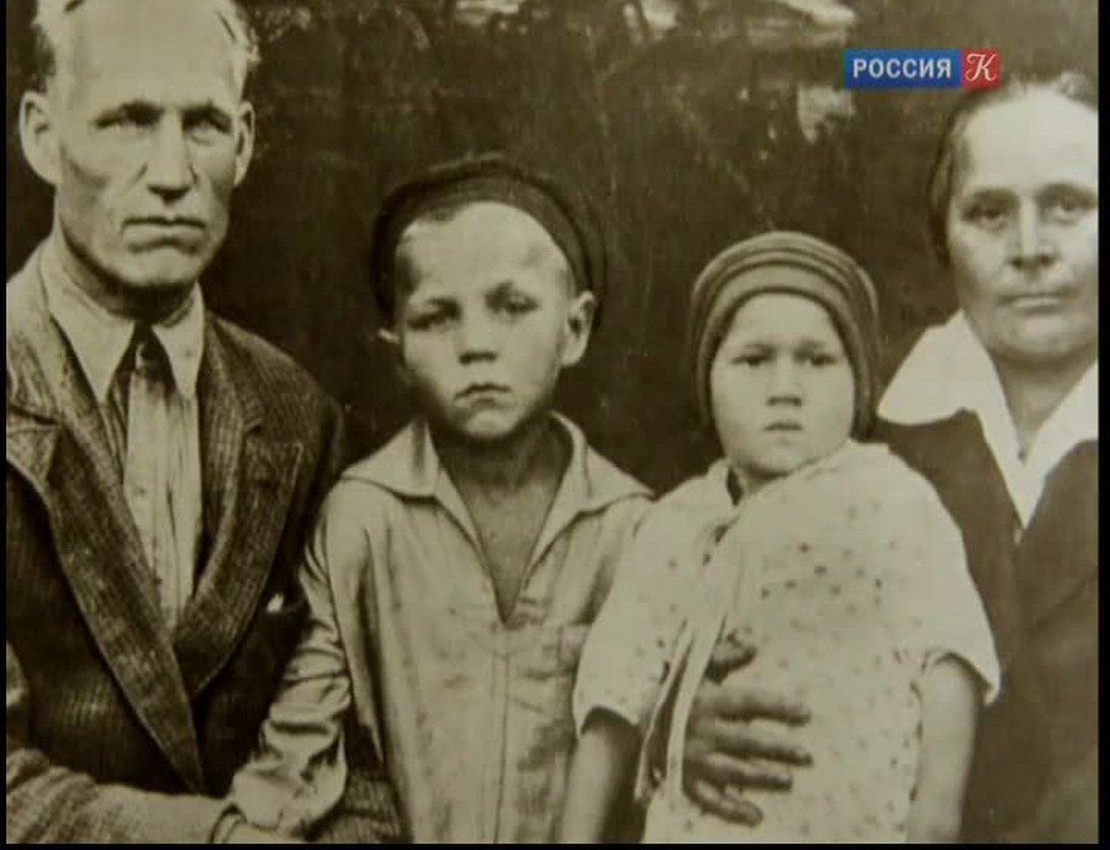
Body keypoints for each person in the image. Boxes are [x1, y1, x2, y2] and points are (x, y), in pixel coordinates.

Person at [677, 73, 1098, 843]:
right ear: (943, 237)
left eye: (1069, 206)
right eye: (990, 213)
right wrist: (679, 721)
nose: (1031, 249)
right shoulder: (844, 422)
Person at [5, 0, 373, 843]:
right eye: (128, 120)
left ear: (243, 144)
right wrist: (213, 840)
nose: (172, 174)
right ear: (42, 137)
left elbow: (363, 749)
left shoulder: (298, 415)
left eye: (202, 123)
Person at [223, 154, 652, 842]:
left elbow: (668, 751)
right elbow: (296, 750)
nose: (476, 345)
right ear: (397, 353)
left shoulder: (635, 529)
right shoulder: (362, 519)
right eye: (436, 317)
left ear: (574, 329)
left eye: (512, 307)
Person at [560, 231, 999, 842]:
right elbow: (613, 696)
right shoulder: (678, 524)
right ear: (707, 384)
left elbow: (948, 653)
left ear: (859, 384)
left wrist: (936, 811)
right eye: (753, 360)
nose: (785, 388)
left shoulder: (892, 500)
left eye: (817, 360)